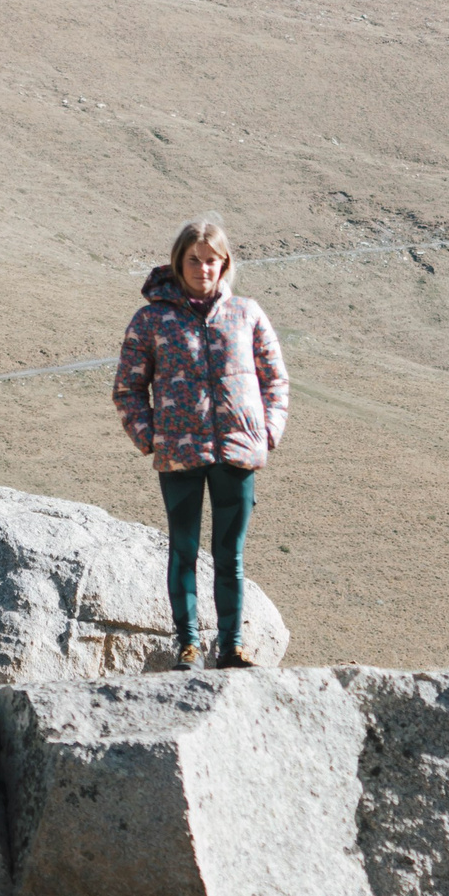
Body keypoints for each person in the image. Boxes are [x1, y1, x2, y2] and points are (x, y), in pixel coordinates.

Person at [113, 218, 290, 669]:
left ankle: (231, 647)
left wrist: (266, 433)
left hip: (236, 452)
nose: (203, 268)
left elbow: (275, 379)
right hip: (178, 455)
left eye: (212, 260)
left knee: (230, 556)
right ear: (179, 261)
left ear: (224, 263)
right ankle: (188, 646)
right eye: (194, 259)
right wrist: (148, 436)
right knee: (184, 551)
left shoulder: (247, 313)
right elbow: (127, 387)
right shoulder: (151, 319)